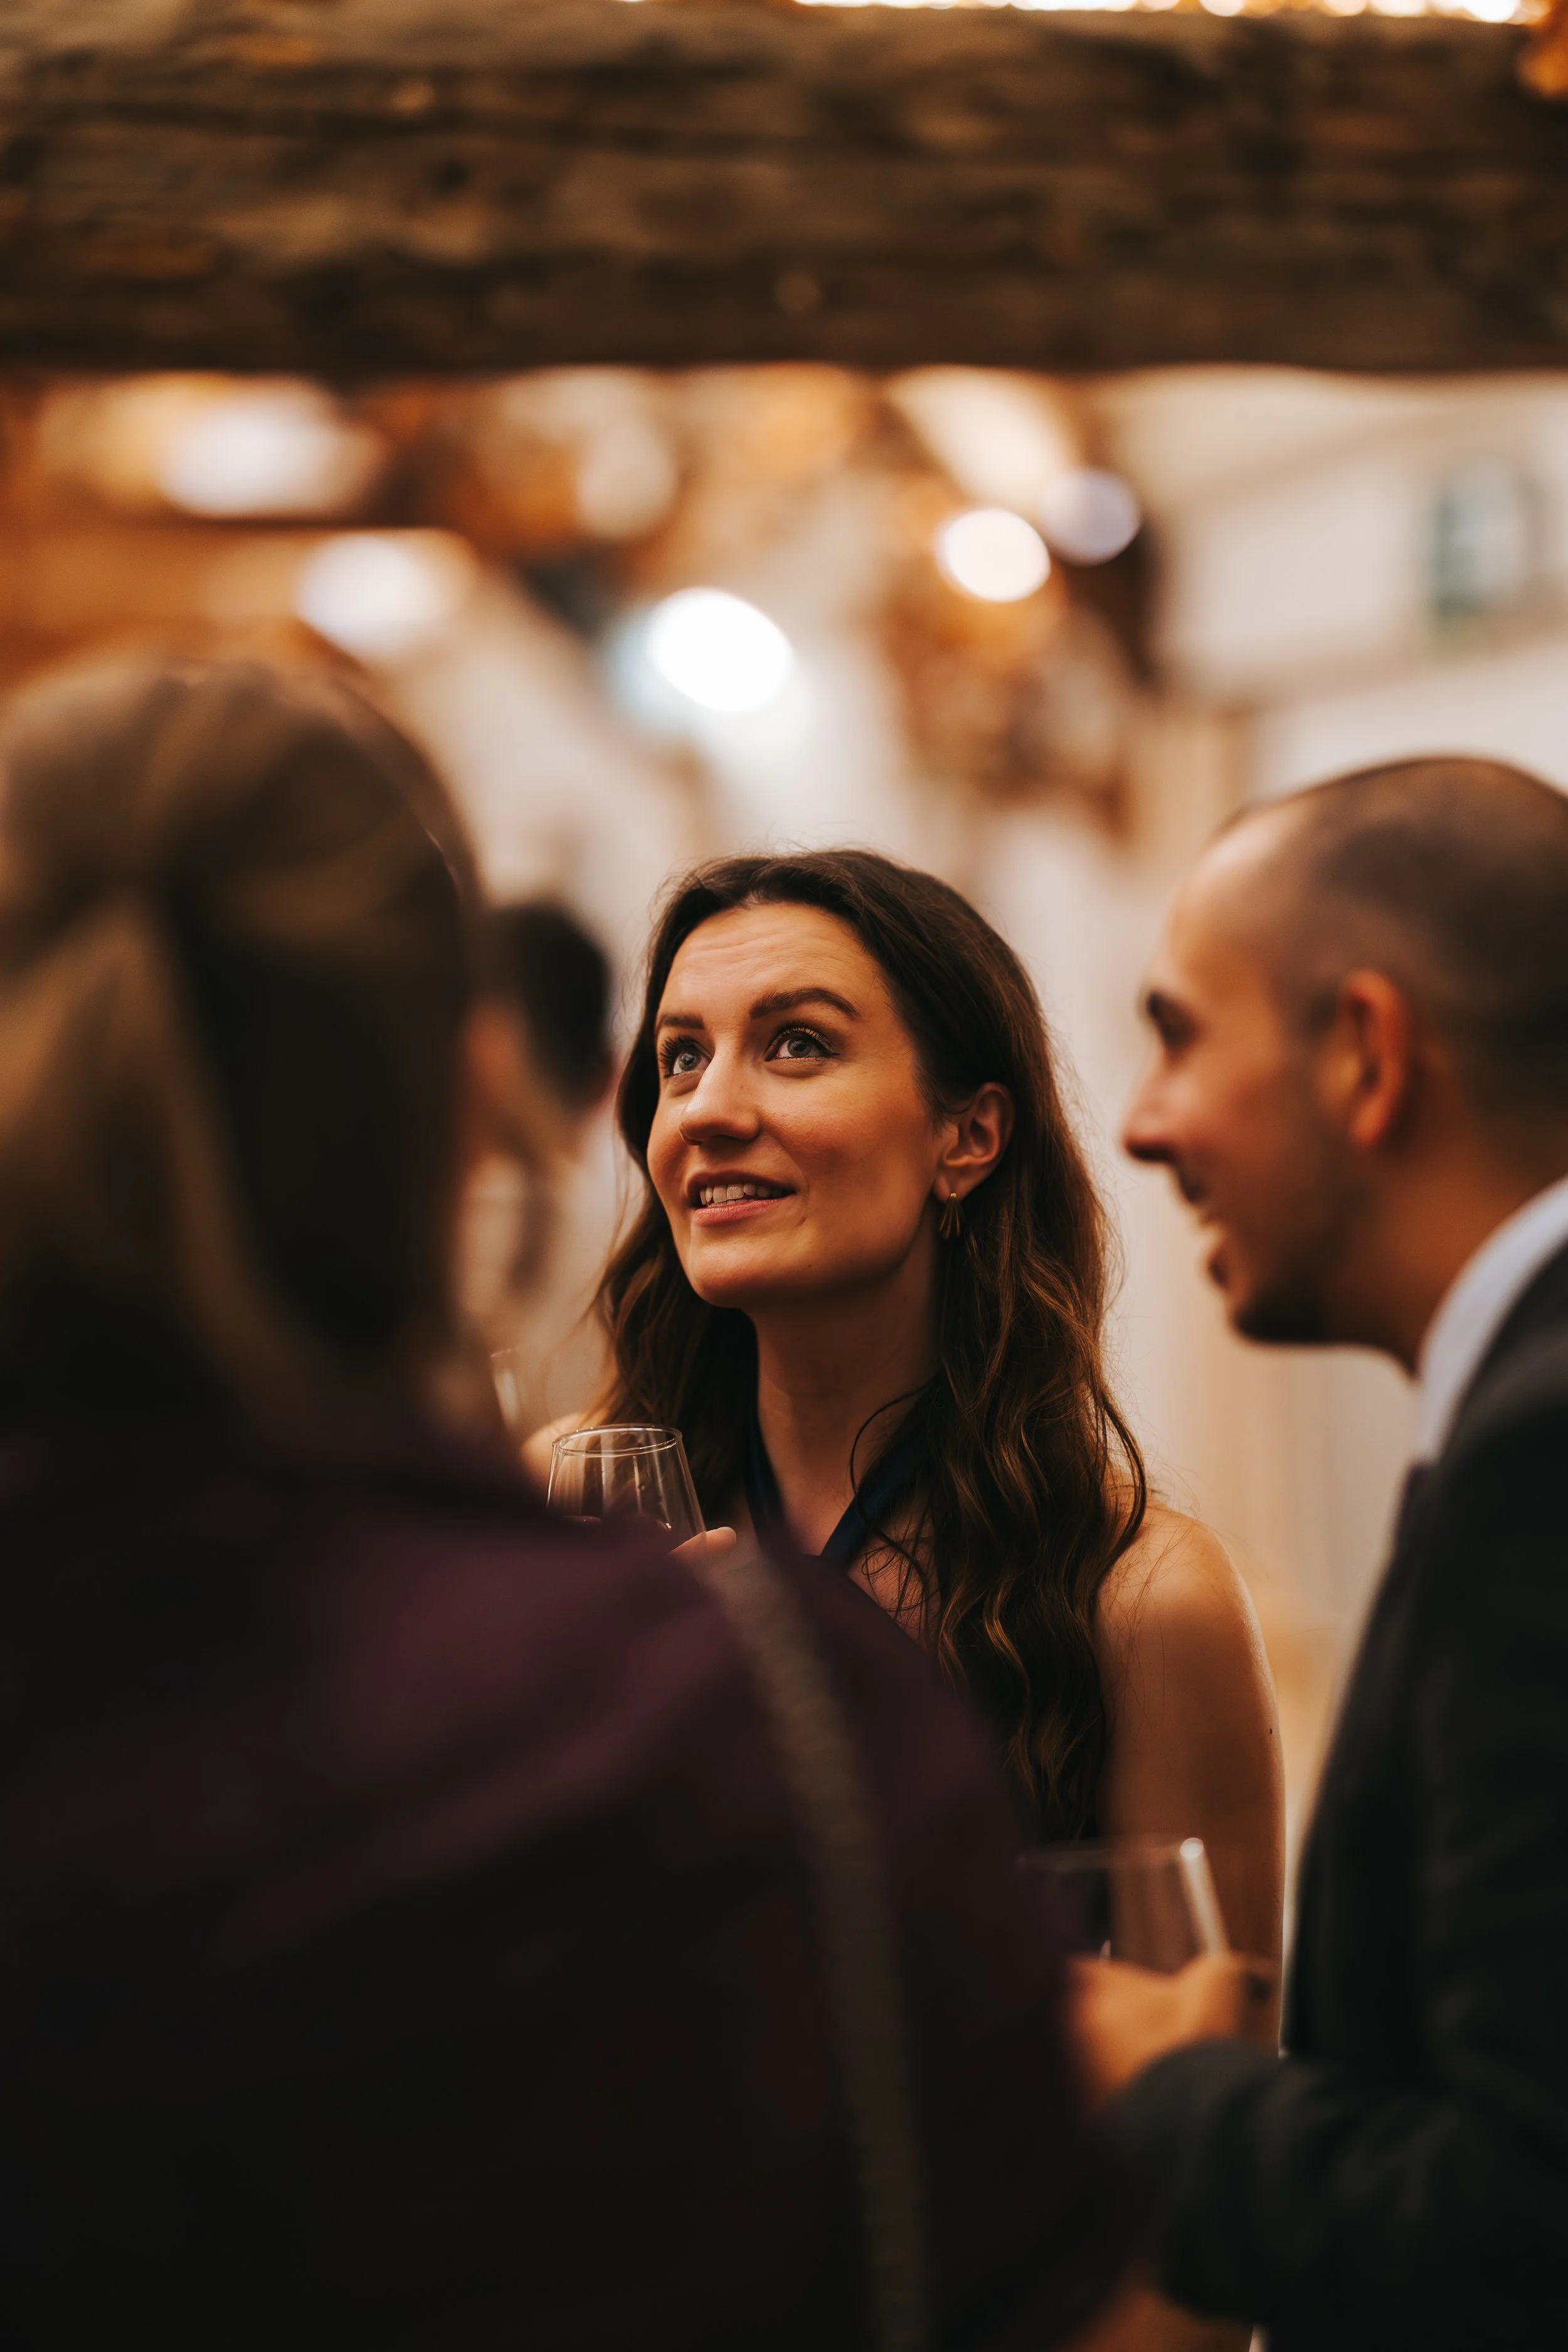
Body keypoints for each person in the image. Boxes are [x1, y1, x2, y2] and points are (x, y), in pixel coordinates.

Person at [0, 655, 1131, 2349]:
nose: (713, 1107)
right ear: (473, 1094)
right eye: (675, 1057)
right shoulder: (748, 1719)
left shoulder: (1063, 1606)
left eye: (795, 1044)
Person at [1081, 753, 1568, 2351]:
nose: (1143, 1125)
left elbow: (1520, 2225)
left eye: (1175, 1035)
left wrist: (1159, 2095)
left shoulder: (1537, 1454)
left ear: (1362, 1052)